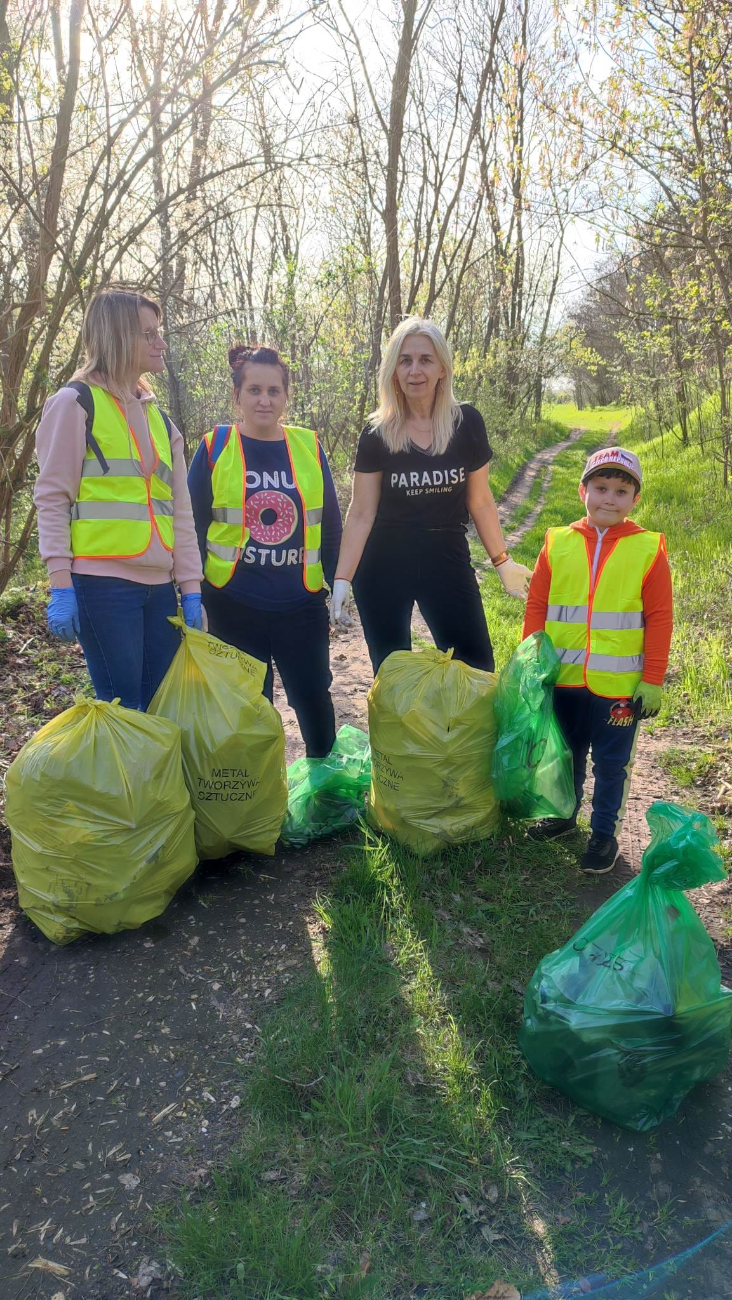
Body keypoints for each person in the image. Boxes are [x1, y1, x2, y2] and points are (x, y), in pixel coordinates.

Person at [329, 316, 532, 673]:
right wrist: (343, 578)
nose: (414, 370)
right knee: (394, 678)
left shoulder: (466, 422)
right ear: (393, 370)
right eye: (405, 360)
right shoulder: (376, 433)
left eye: (425, 359)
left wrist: (502, 562)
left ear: (442, 368)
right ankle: (402, 731)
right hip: (383, 565)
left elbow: (480, 501)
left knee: (475, 667)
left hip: (446, 557)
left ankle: (465, 732)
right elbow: (361, 512)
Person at [34, 289, 203, 711]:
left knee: (161, 709)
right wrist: (60, 584)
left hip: (160, 588)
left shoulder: (162, 421)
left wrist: (192, 587)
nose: (160, 343)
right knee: (123, 710)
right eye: (148, 334)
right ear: (117, 338)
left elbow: (180, 511)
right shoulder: (74, 404)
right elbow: (53, 498)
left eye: (158, 332)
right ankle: (124, 781)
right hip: (102, 586)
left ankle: (154, 781)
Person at [523, 446, 673, 875]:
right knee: (565, 753)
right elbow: (537, 604)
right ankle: (563, 816)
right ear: (582, 490)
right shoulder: (557, 542)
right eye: (601, 488)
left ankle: (603, 834)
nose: (609, 498)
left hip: (620, 688)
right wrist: (532, 660)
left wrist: (653, 678)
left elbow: (660, 617)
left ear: (635, 499)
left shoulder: (648, 549)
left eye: (621, 491)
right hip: (565, 678)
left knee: (611, 765)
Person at [187, 344, 342, 758]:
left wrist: (339, 582)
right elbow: (191, 524)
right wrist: (191, 593)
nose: (264, 400)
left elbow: (329, 524)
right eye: (254, 390)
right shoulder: (215, 446)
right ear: (237, 395)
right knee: (248, 708)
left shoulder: (308, 446)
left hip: (301, 604)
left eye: (274, 391)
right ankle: (258, 804)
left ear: (287, 395)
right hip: (233, 604)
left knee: (312, 697)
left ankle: (325, 795)